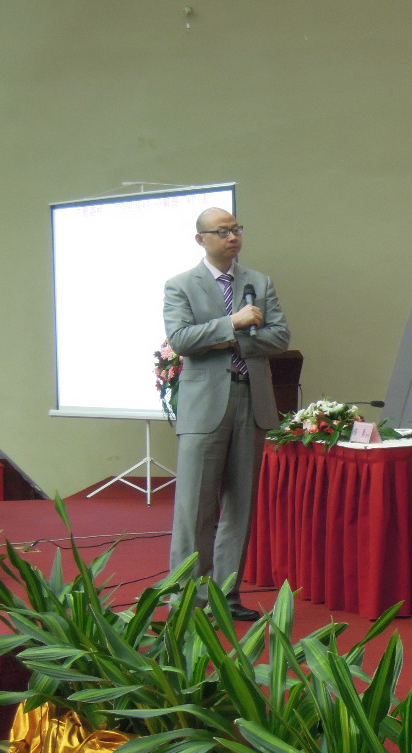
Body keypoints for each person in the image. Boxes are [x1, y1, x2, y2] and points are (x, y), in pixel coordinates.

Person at [163, 207, 290, 621]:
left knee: (240, 507)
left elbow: (279, 337)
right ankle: (188, 601)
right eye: (222, 231)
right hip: (204, 406)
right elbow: (181, 339)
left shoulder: (259, 282)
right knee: (195, 510)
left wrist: (231, 341)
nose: (232, 237)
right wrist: (232, 324)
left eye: (236, 229)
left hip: (251, 401)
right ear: (201, 239)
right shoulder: (181, 285)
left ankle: (226, 597)